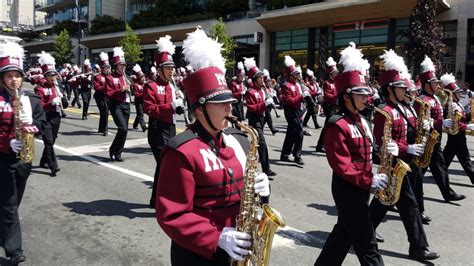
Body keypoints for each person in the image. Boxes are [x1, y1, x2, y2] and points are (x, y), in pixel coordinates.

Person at [156, 28, 270, 265]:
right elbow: (173, 215)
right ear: (199, 109)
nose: (229, 107)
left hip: (237, 246)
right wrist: (216, 237)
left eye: (229, 101)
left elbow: (245, 196)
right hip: (197, 253)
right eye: (221, 103)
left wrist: (263, 191)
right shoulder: (182, 152)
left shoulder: (238, 139)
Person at [315, 43, 386, 266]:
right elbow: (342, 165)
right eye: (361, 95)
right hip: (347, 188)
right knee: (368, 244)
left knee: (341, 237)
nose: (367, 99)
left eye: (367, 94)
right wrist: (369, 180)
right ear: (347, 96)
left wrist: (385, 153)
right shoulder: (337, 124)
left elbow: (369, 151)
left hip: (361, 187)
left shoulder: (362, 121)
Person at [369, 50, 439, 262]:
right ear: (390, 89)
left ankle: (362, 231)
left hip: (408, 162)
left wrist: (427, 126)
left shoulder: (406, 106)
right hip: (394, 162)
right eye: (401, 88)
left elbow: (412, 129)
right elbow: (381, 140)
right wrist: (405, 149)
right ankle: (418, 247)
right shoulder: (384, 110)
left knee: (384, 202)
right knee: (410, 205)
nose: (406, 90)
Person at [0, 41, 40, 265]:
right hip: (3, 157)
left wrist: (33, 126)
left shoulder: (29, 99)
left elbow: (43, 122)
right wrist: (6, 143)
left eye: (17, 75)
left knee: (14, 202)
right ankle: (15, 251)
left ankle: (5, 231)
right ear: (2, 78)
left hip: (24, 158)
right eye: (9, 76)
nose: (13, 79)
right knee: (9, 203)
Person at [415, 56, 465, 202]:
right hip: (425, 139)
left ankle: (447, 193)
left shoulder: (435, 98)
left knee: (439, 166)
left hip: (435, 139)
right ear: (426, 84)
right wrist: (441, 123)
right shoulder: (421, 100)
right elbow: (421, 121)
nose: (438, 85)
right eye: (434, 83)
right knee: (418, 171)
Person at [144, 35, 183, 208]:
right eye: (168, 67)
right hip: (157, 130)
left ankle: (155, 200)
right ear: (159, 69)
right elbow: (149, 109)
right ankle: (164, 201)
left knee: (164, 166)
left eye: (172, 67)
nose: (171, 71)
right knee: (165, 165)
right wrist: (170, 106)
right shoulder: (151, 86)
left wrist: (180, 103)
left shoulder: (172, 86)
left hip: (171, 128)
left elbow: (175, 109)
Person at [243, 57, 277, 179]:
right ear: (255, 79)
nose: (262, 79)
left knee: (255, 144)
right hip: (254, 120)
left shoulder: (263, 90)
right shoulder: (250, 92)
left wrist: (270, 103)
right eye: (260, 77)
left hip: (262, 119)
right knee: (262, 143)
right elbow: (251, 108)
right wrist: (264, 104)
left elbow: (265, 106)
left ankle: (248, 164)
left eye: (262, 77)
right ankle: (266, 169)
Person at [440, 73, 474, 184]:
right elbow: (454, 123)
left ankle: (439, 173)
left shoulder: (457, 104)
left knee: (445, 158)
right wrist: (467, 126)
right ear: (452, 95)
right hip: (457, 134)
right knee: (466, 159)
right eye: (457, 92)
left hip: (457, 135)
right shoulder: (451, 106)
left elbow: (463, 117)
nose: (460, 93)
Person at [35, 51, 63, 177]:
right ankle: (53, 166)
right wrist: (51, 102)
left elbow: (65, 105)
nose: (53, 77)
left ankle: (43, 161)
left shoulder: (56, 87)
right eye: (50, 75)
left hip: (56, 116)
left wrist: (63, 98)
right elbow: (39, 106)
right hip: (45, 117)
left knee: (52, 141)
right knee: (49, 141)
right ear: (45, 76)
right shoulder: (39, 88)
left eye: (54, 75)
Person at [106, 47, 131, 162]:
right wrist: (121, 89)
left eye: (124, 65)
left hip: (126, 104)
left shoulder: (126, 77)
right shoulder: (110, 78)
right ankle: (113, 150)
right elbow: (109, 93)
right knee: (123, 128)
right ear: (115, 66)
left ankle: (119, 153)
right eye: (120, 65)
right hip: (116, 105)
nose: (123, 67)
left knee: (124, 131)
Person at [279, 55, 305, 165]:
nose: (297, 76)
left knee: (291, 133)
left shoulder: (298, 84)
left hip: (298, 110)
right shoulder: (286, 85)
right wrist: (301, 96)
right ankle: (297, 156)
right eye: (295, 75)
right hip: (291, 111)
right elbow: (288, 100)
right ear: (290, 75)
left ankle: (284, 154)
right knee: (299, 132)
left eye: (298, 74)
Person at [315, 57, 339, 153]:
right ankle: (321, 145)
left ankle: (323, 145)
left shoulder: (337, 82)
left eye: (336, 73)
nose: (336, 75)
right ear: (330, 74)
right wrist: (336, 95)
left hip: (336, 106)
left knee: (331, 127)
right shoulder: (327, 83)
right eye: (334, 73)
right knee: (328, 126)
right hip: (329, 106)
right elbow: (327, 95)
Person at [93, 52, 110, 136]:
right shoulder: (97, 76)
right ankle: (105, 129)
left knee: (105, 112)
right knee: (105, 111)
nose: (107, 69)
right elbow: (96, 87)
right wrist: (105, 87)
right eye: (105, 67)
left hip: (107, 96)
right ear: (102, 68)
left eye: (108, 67)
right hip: (99, 96)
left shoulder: (110, 76)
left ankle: (101, 128)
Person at [262, 69, 279, 135]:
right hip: (265, 105)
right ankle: (273, 129)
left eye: (270, 81)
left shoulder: (271, 88)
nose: (269, 82)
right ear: (265, 82)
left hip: (270, 105)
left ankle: (260, 128)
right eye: (268, 81)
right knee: (268, 117)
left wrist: (274, 96)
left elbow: (272, 96)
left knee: (266, 118)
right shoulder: (263, 88)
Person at [131, 64, 147, 132]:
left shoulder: (145, 84)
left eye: (143, 77)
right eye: (141, 77)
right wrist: (143, 94)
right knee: (140, 113)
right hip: (138, 101)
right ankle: (143, 126)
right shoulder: (136, 85)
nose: (143, 79)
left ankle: (135, 124)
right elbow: (136, 94)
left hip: (144, 101)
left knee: (140, 113)